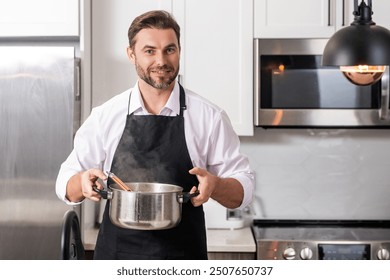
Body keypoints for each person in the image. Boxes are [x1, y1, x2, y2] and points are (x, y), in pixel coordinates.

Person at [56, 10, 254, 260]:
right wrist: (82, 181)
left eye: (169, 50)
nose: (161, 60)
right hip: (117, 259)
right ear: (131, 54)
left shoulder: (209, 117)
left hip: (183, 260)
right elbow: (64, 183)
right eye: (149, 51)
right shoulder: (106, 115)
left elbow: (244, 189)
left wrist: (216, 186)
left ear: (179, 51)